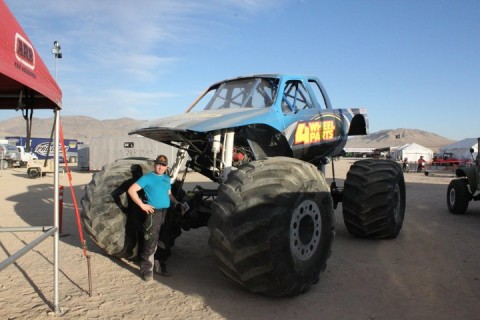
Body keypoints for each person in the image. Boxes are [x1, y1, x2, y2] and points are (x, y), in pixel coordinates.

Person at [128, 155, 184, 282]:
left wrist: (176, 202)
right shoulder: (147, 177)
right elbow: (132, 190)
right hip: (154, 213)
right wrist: (142, 205)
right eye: (158, 164)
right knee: (151, 241)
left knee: (164, 240)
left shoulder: (165, 178)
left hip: (166, 212)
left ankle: (159, 266)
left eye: (163, 165)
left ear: (166, 167)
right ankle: (146, 270)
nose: (160, 167)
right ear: (155, 165)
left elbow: (168, 194)